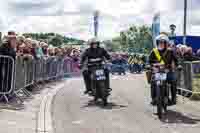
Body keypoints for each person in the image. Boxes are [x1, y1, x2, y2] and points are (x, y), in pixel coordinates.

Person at [149, 34, 178, 105]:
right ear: (157, 43)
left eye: (163, 42)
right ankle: (153, 98)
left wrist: (178, 65)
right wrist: (149, 66)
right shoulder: (154, 51)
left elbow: (176, 60)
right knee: (152, 82)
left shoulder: (170, 51)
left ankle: (173, 98)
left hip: (168, 71)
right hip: (157, 71)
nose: (161, 44)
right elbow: (149, 61)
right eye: (159, 42)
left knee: (173, 80)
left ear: (166, 43)